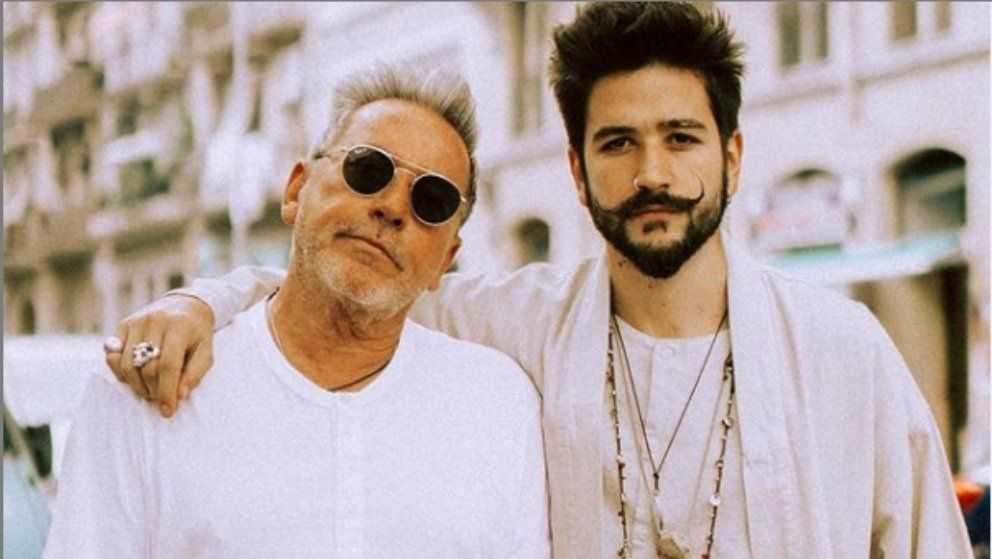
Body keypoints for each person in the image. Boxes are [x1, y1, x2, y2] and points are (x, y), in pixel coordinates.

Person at [106, 3, 972, 558]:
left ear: (733, 156)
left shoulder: (841, 353)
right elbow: (351, 270)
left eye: (681, 138)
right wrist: (199, 301)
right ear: (577, 170)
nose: (653, 173)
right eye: (618, 143)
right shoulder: (515, 324)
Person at [44, 65, 550, 559]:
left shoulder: (499, 405)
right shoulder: (150, 384)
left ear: (446, 258)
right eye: (368, 170)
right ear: (295, 190)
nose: (393, 207)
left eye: (432, 201)